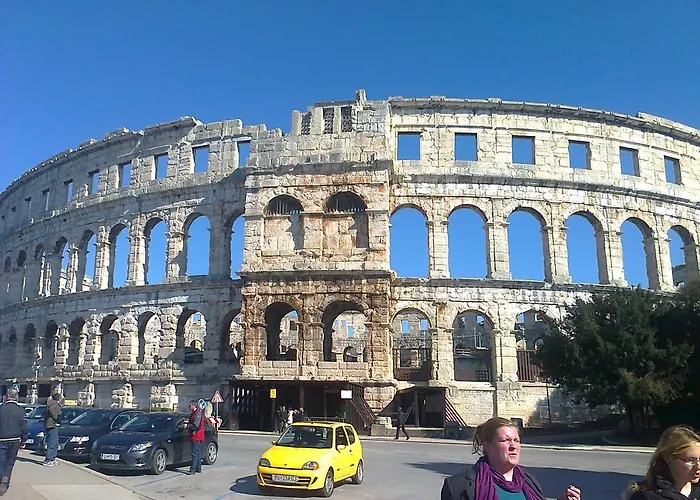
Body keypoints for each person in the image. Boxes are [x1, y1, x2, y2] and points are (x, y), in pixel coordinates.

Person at [441, 416, 582, 500]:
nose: (513, 446)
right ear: (488, 446)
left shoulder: (529, 481)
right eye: (506, 440)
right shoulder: (458, 486)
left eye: (516, 440)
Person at [623, 425, 700, 500]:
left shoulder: (697, 490)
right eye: (690, 460)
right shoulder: (647, 496)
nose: (698, 467)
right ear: (667, 457)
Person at [0, 388, 28, 496]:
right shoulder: (21, 410)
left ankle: (1, 477)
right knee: (10, 462)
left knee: (1, 461)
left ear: (7, 396)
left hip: (1, 439)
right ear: (16, 397)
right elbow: (24, 427)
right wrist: (23, 441)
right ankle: (5, 479)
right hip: (15, 439)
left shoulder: (1, 408)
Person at [43, 391, 63, 467]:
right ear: (59, 399)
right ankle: (49, 460)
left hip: (50, 425)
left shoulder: (51, 403)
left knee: (54, 443)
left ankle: (52, 459)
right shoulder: (53, 404)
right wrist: (57, 419)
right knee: (52, 443)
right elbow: (53, 412)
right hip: (52, 425)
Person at [187, 400, 205, 475]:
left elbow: (195, 425)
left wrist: (187, 426)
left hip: (196, 435)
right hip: (196, 435)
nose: (189, 407)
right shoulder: (195, 413)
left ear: (193, 405)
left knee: (194, 453)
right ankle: (198, 468)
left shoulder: (197, 414)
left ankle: (193, 469)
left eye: (190, 405)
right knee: (197, 452)